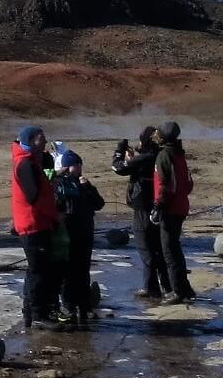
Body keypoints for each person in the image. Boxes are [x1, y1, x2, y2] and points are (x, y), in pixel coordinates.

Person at [11, 125, 63, 329]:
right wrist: (54, 214)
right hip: (33, 223)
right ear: (31, 140)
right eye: (41, 138)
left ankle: (31, 313)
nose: (45, 141)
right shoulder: (25, 164)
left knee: (38, 269)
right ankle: (38, 315)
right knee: (38, 271)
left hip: (37, 222)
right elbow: (33, 197)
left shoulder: (31, 161)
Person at [113, 127, 170, 300]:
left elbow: (118, 168)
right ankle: (164, 286)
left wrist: (119, 151)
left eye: (140, 140)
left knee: (146, 248)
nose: (138, 144)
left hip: (143, 209)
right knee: (157, 248)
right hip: (158, 208)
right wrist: (133, 159)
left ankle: (153, 290)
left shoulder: (146, 158)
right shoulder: (161, 155)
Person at [54, 151, 105, 327]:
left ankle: (85, 306)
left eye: (81, 165)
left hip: (85, 232)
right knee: (69, 272)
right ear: (68, 166)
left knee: (83, 271)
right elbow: (58, 205)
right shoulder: (60, 183)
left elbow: (99, 204)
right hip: (69, 233)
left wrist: (88, 187)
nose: (80, 168)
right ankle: (68, 306)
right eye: (77, 165)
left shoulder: (83, 184)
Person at [153, 121, 196, 303]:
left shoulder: (164, 155)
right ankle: (185, 289)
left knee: (169, 251)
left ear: (162, 137)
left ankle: (178, 291)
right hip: (180, 205)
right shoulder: (179, 154)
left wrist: (158, 206)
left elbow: (164, 185)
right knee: (175, 249)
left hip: (170, 208)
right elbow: (187, 184)